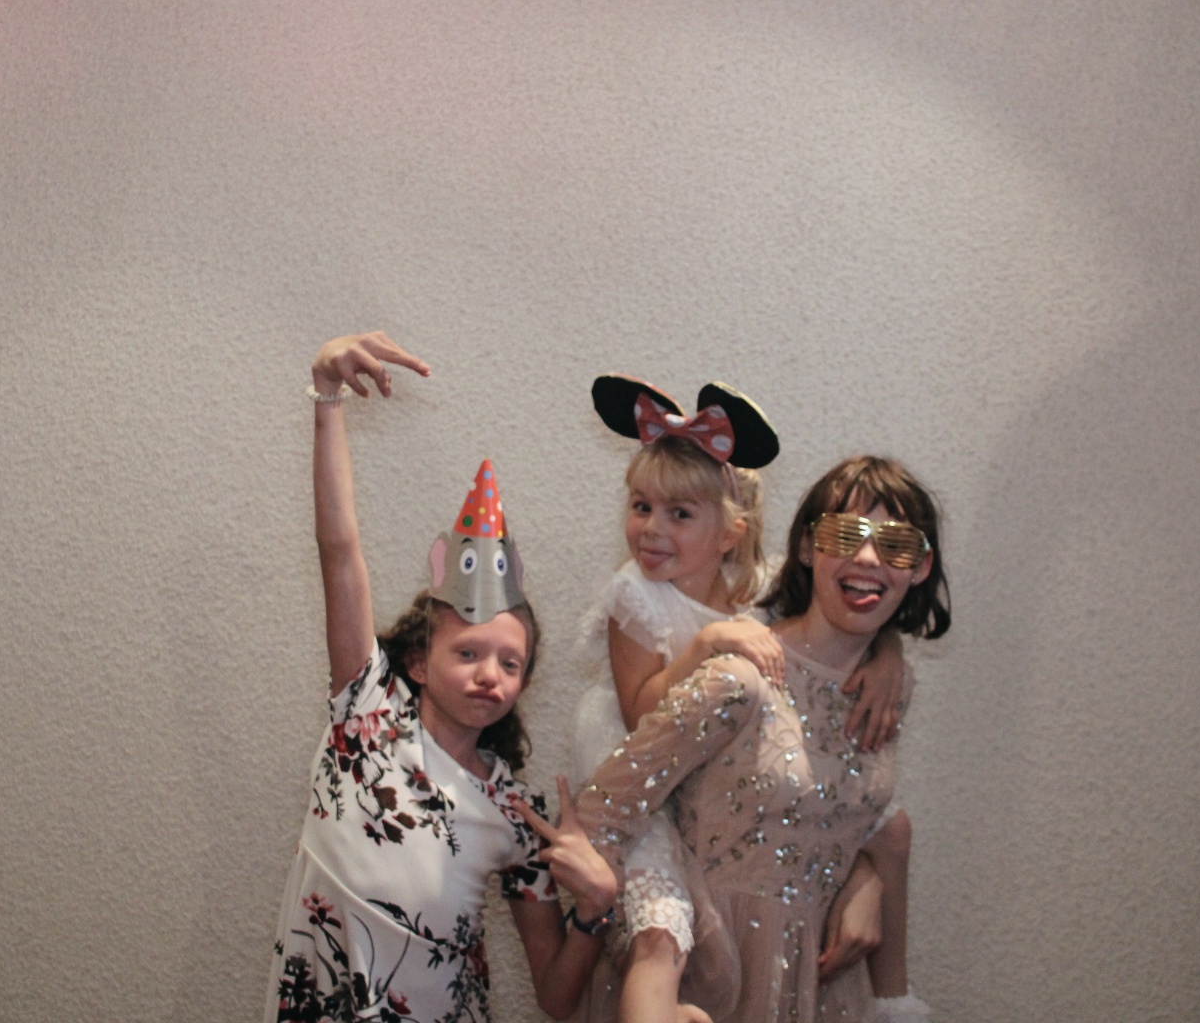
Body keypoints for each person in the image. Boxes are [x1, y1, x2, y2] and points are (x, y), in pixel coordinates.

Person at [266, 331, 618, 1023]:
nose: (490, 675)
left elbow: (556, 997)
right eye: (468, 654)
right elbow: (340, 552)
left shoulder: (516, 814)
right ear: (419, 663)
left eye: (510, 663)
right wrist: (327, 398)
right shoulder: (366, 716)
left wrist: (597, 909)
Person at [573, 380, 913, 1023]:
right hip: (636, 783)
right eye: (641, 507)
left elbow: (840, 610)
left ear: (730, 534)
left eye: (679, 514)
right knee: (661, 934)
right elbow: (644, 716)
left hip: (707, 794)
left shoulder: (756, 590)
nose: (652, 528)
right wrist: (706, 644)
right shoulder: (636, 597)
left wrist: (887, 651)